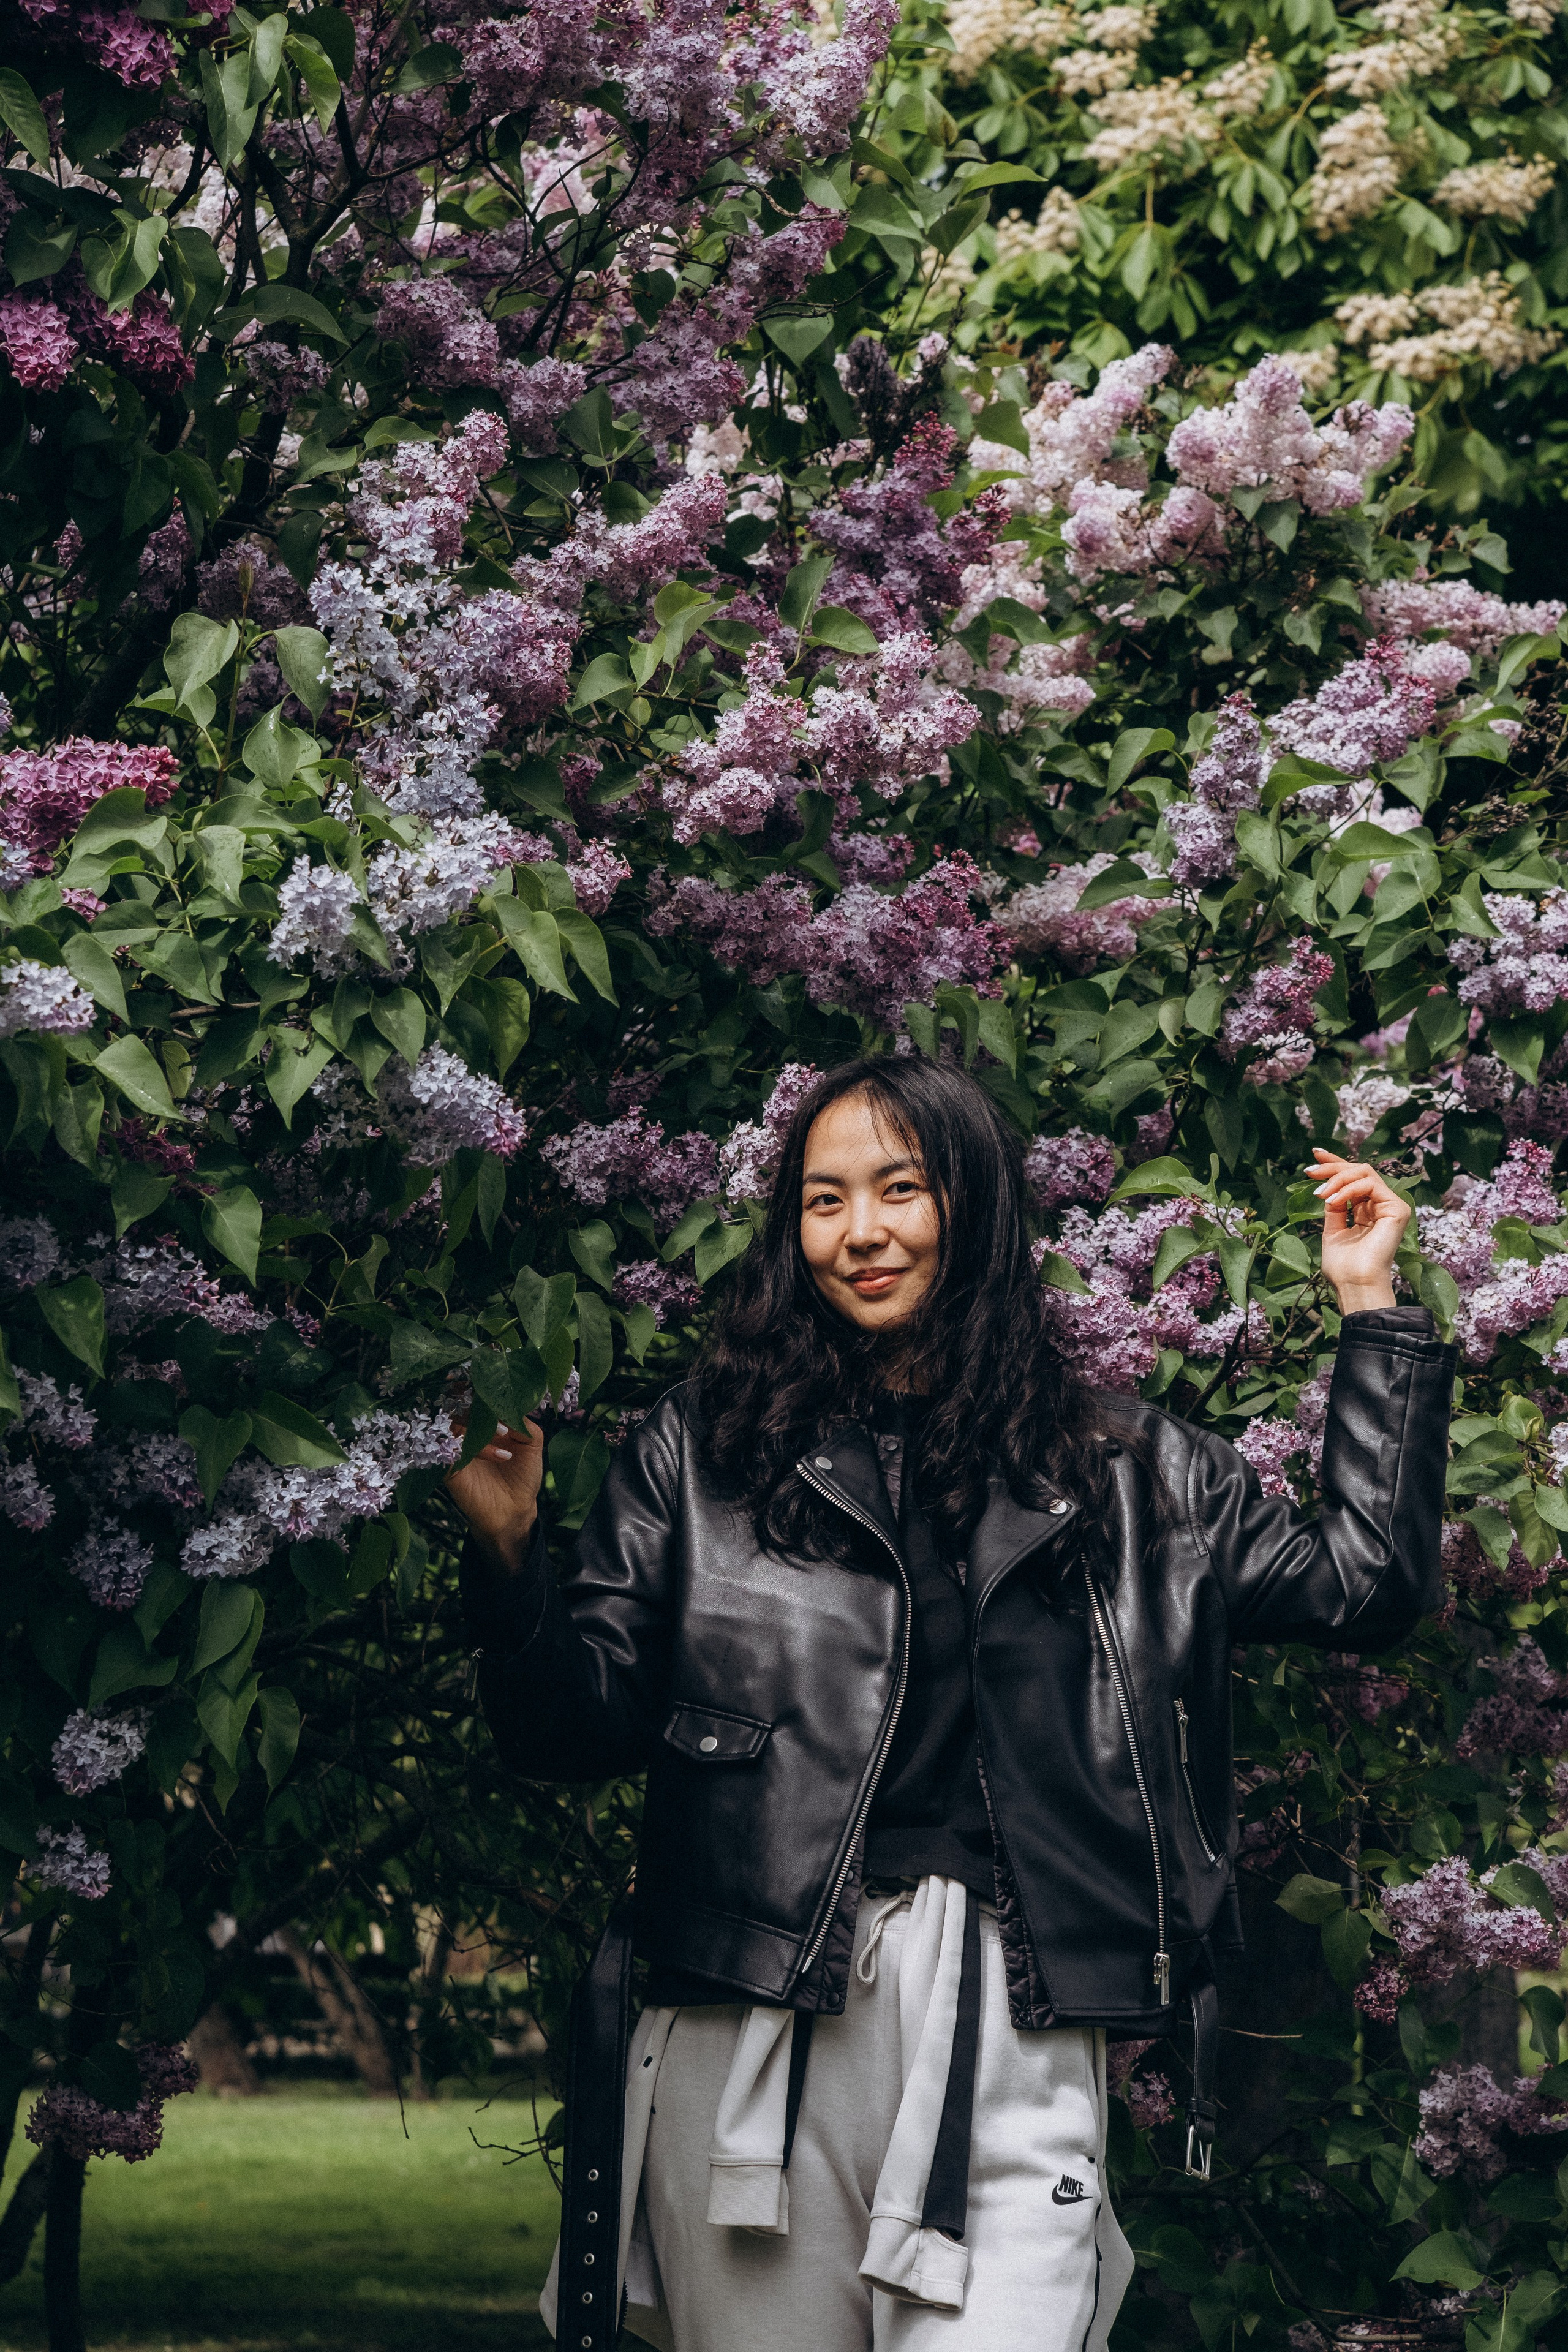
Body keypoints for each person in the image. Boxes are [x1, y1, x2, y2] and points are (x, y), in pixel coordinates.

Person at [450, 1057, 1453, 2352]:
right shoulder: (701, 1455)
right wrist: (508, 1558)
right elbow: (561, 1730)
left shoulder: (1128, 1469)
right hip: (754, 2009)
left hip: (1011, 2011)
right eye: (821, 1200)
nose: (857, 1233)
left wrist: (1369, 1308)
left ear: (971, 1206)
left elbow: (1363, 1585)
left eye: (897, 1190)